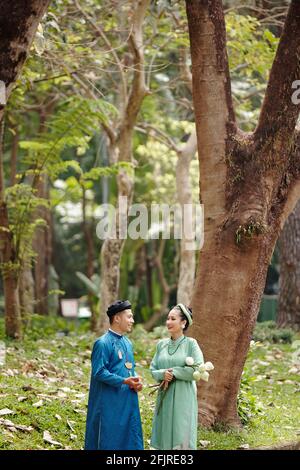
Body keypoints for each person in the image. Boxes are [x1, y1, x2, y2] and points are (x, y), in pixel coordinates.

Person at [84, 299, 144, 450]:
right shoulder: (102, 343)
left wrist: (136, 380)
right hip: (108, 402)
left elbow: (129, 368)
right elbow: (99, 372)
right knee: (109, 437)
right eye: (129, 317)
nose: (132, 320)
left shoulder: (128, 343)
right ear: (117, 318)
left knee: (129, 437)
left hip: (127, 399)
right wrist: (125, 381)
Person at [150, 304, 204, 450]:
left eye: (173, 319)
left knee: (181, 429)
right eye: (167, 318)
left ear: (183, 323)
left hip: (183, 396)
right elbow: (153, 369)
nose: (168, 322)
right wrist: (162, 374)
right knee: (164, 427)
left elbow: (198, 368)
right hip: (164, 395)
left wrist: (174, 372)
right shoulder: (161, 345)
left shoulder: (191, 344)